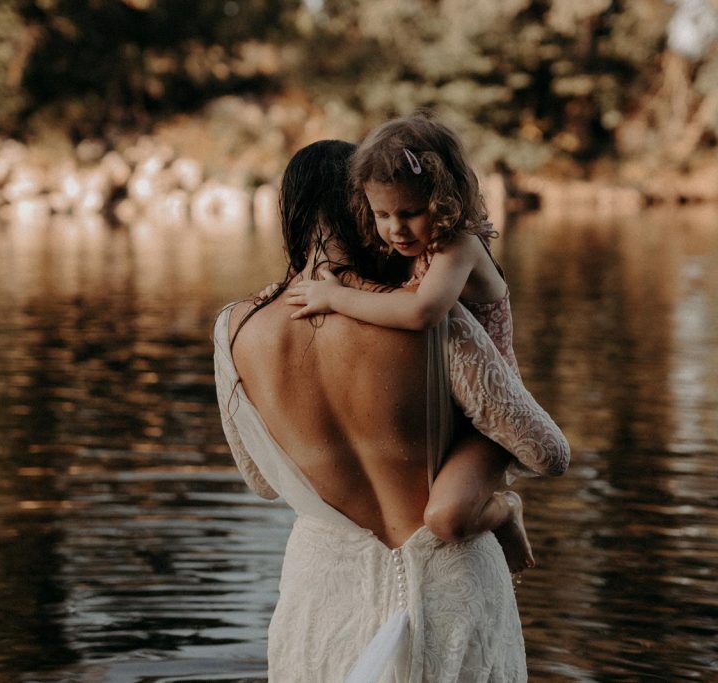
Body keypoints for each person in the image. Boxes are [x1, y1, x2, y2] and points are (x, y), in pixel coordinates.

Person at [213, 140, 568, 681]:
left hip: (323, 593)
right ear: (363, 208)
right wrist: (479, 446)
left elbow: (263, 479)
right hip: (448, 580)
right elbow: (547, 451)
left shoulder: (233, 329)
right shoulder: (428, 317)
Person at [285, 114, 537, 570]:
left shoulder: (458, 247)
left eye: (409, 213)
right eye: (382, 215)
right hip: (441, 410)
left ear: (443, 202)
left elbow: (421, 312)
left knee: (445, 518)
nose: (395, 229)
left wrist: (335, 298)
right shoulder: (411, 249)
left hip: (486, 419)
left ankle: (505, 512)